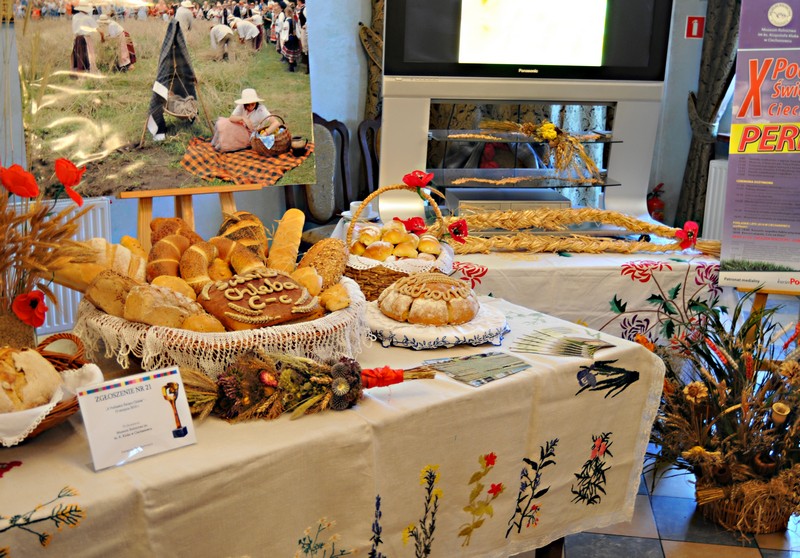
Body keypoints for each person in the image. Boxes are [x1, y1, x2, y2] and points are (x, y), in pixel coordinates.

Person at [211, 88, 282, 152]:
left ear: (256, 102)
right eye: (248, 105)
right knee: (225, 123)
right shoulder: (241, 106)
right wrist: (243, 118)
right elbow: (231, 118)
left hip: (251, 133)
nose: (250, 107)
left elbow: (276, 123)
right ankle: (214, 143)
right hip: (241, 126)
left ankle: (221, 145)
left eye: (253, 104)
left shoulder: (261, 110)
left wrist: (265, 134)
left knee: (233, 130)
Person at [71, 4, 97, 73]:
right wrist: (102, 36)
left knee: (78, 55)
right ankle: (87, 70)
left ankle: (78, 70)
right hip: (85, 38)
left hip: (77, 38)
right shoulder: (88, 18)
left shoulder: (75, 16)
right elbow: (97, 28)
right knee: (87, 55)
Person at [280, 6, 301, 71]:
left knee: (290, 55)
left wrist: (284, 39)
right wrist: (299, 38)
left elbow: (285, 32)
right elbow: (297, 31)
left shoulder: (287, 22)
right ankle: (294, 64)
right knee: (293, 53)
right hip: (295, 39)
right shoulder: (294, 20)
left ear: (286, 13)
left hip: (289, 39)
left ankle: (291, 69)